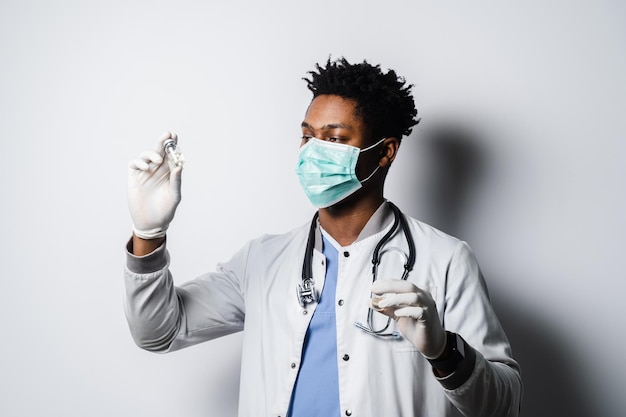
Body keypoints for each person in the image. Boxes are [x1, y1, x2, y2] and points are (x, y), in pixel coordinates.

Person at [124, 57, 522, 417]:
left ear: (385, 152)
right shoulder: (262, 259)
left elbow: (503, 406)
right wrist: (148, 234)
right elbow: (159, 333)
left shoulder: (446, 260)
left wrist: (445, 351)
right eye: (307, 136)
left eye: (334, 139)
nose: (313, 152)